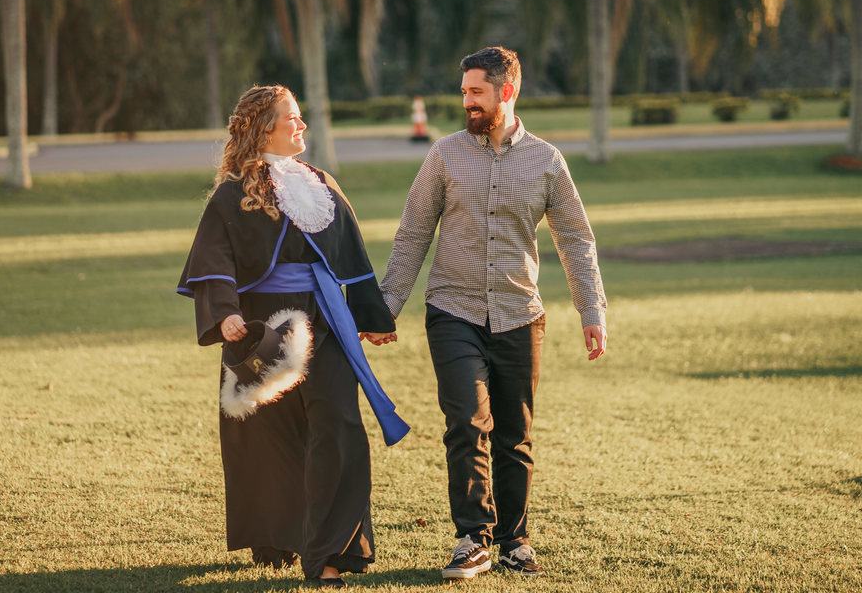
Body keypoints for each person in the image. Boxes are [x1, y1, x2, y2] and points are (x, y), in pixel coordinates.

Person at [380, 46, 607, 580]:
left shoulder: (548, 161)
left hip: (518, 313)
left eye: (476, 92)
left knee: (514, 434)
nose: (467, 102)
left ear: (507, 92)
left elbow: (575, 238)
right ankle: (471, 538)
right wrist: (388, 305)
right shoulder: (444, 155)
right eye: (464, 92)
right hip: (452, 309)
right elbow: (414, 230)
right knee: (466, 421)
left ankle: (514, 540)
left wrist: (591, 310)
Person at [177, 85, 407, 589]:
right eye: (292, 119)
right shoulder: (233, 192)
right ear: (264, 129)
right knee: (267, 436)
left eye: (301, 119)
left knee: (339, 425)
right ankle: (278, 535)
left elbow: (352, 255)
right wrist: (224, 314)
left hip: (324, 322)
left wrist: (371, 316)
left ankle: (331, 555)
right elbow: (212, 258)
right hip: (260, 325)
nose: (301, 127)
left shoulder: (320, 184)